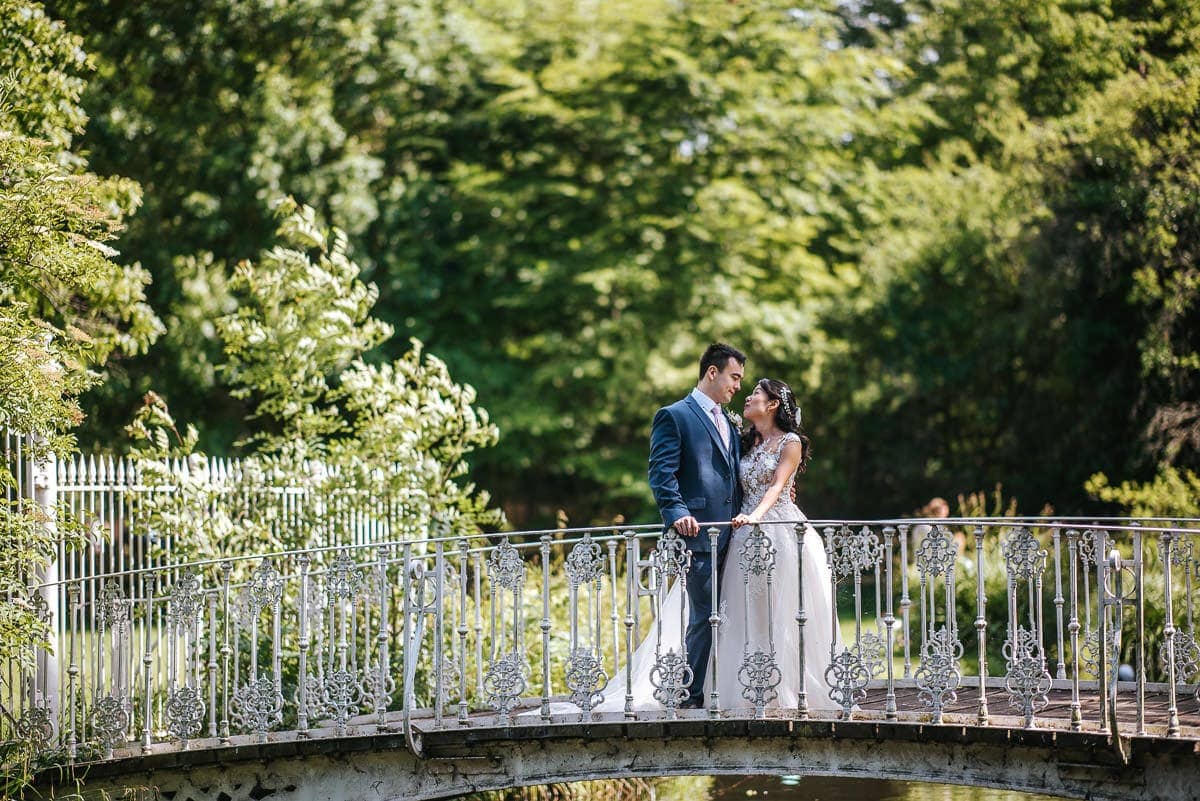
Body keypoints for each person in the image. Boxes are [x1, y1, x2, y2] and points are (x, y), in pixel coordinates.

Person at [722, 378, 839, 711]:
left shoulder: (791, 442)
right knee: (749, 612)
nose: (747, 398)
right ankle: (752, 686)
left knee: (785, 611)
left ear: (772, 404)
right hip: (745, 533)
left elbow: (777, 486)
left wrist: (756, 515)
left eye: (755, 394)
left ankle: (788, 690)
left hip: (781, 532)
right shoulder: (747, 442)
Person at [647, 342, 745, 708]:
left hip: (733, 536)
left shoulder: (729, 421)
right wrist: (677, 512)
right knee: (706, 615)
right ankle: (689, 698)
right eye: (734, 377)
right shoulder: (675, 415)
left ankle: (725, 691)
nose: (737, 386)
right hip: (698, 534)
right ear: (712, 372)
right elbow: (661, 473)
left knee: (727, 615)